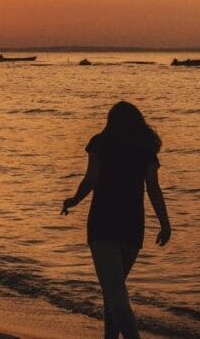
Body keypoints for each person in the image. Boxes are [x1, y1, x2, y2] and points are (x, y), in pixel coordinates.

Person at [61, 101, 171, 339]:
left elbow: (90, 180)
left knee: (115, 297)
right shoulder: (145, 149)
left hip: (103, 225)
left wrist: (74, 200)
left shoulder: (101, 143)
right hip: (132, 228)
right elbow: (153, 188)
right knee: (113, 293)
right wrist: (165, 223)